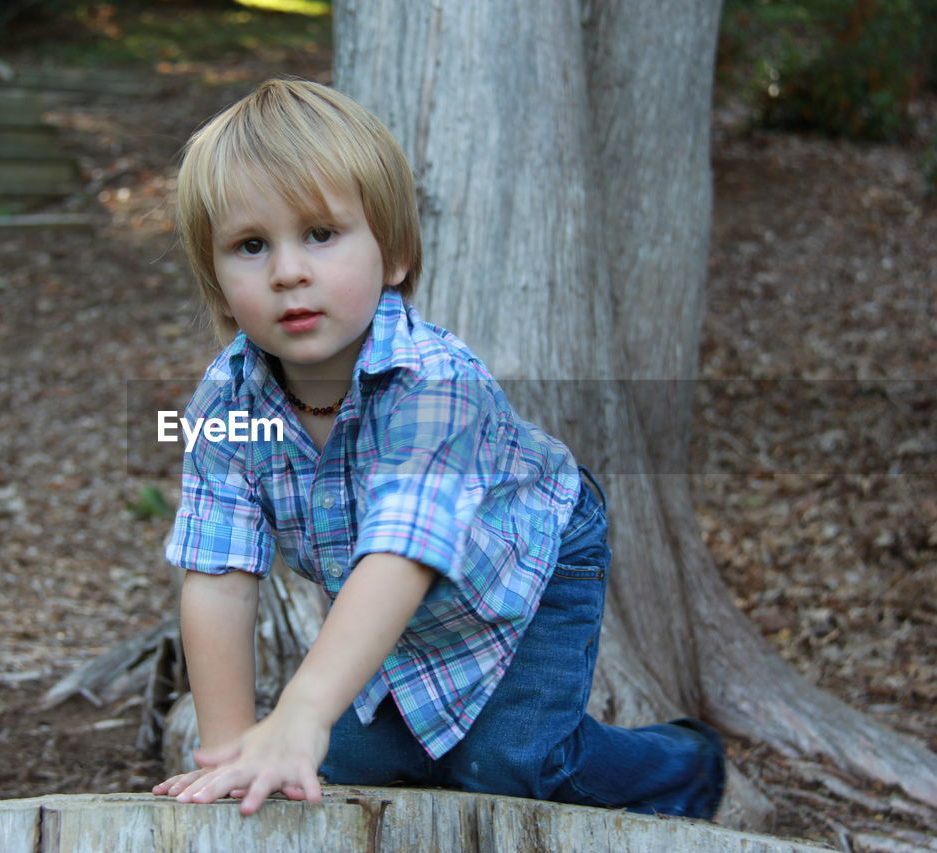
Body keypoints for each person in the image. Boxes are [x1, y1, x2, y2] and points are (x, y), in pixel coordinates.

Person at [151, 78, 725, 819]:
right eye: (251, 245)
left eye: (320, 234)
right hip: (406, 619)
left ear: (391, 255)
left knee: (508, 764)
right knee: (333, 765)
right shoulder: (228, 407)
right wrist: (231, 750)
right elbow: (217, 574)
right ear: (221, 286)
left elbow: (402, 552)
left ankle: (685, 768)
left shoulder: (432, 384)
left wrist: (300, 707)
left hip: (530, 567)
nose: (287, 270)